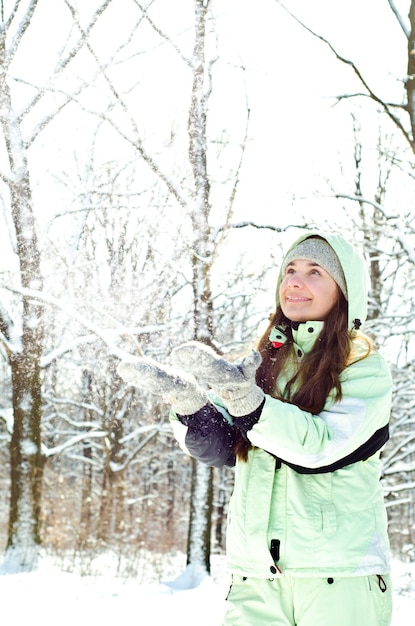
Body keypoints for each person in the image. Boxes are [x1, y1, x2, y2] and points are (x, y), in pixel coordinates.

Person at [117, 232, 393, 626]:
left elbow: (320, 447)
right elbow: (227, 448)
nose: (295, 281)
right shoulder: (264, 364)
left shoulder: (363, 368)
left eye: (315, 272)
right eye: (290, 271)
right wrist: (190, 405)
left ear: (345, 292)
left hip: (339, 576)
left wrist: (247, 402)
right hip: (255, 578)